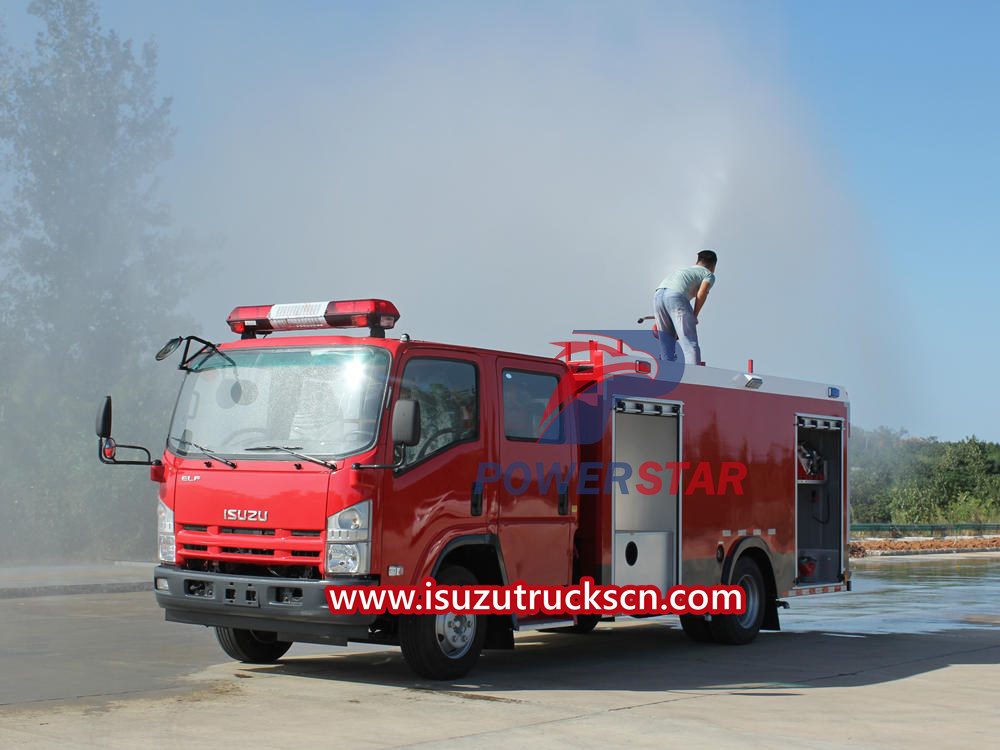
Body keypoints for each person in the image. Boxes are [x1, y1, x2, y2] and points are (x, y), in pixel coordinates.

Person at [653, 250, 717, 364]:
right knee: (688, 341)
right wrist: (694, 315)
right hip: (676, 296)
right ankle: (693, 373)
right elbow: (701, 293)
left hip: (658, 295)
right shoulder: (708, 274)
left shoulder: (684, 270)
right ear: (713, 266)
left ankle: (667, 371)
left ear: (697, 262)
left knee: (666, 341)